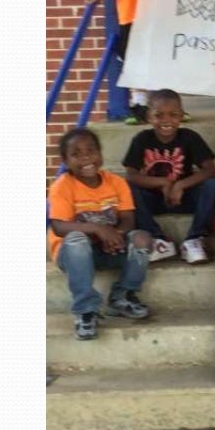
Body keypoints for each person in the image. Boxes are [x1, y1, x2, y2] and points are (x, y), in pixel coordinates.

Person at [48, 128, 152, 340]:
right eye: (76, 154)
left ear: (100, 154)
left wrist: (117, 235)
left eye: (91, 151)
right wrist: (99, 229)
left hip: (109, 248)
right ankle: (85, 311)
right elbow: (59, 226)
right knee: (77, 240)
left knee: (142, 238)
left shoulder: (116, 182)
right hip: (74, 255)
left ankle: (122, 295)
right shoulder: (62, 187)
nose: (86, 157)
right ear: (65, 161)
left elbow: (128, 219)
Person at [122, 88, 215, 264]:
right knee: (126, 188)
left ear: (182, 115)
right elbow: (131, 175)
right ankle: (158, 240)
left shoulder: (190, 137)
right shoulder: (142, 139)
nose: (166, 120)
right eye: (159, 115)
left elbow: (210, 170)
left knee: (212, 186)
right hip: (153, 199)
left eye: (173, 114)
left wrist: (180, 185)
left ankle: (194, 240)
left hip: (184, 197)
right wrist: (162, 182)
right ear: (149, 117)